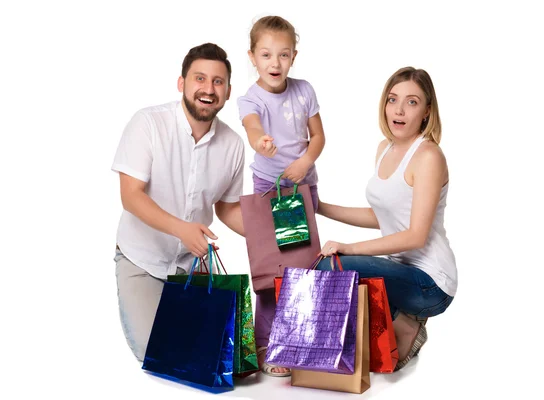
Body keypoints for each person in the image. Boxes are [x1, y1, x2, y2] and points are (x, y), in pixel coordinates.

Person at [317, 67, 458, 371]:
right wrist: (319, 206)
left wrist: (349, 248)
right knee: (329, 264)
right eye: (393, 99)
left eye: (411, 102)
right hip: (400, 269)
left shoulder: (429, 157)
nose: (399, 109)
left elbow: (415, 236)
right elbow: (381, 216)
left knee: (334, 265)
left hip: (430, 283)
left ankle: (406, 322)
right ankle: (396, 318)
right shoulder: (385, 149)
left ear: (426, 112)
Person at [111, 43, 245, 363]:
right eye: (200, 78)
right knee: (157, 354)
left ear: (227, 91)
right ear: (182, 83)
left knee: (220, 355)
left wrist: (270, 238)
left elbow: (227, 208)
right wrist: (182, 229)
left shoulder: (234, 145)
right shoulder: (148, 123)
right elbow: (131, 195)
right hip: (142, 262)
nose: (208, 89)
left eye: (217, 81)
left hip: (191, 268)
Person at [237, 15, 326, 377]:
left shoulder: (304, 90)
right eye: (266, 55)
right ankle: (266, 342)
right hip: (270, 193)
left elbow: (318, 137)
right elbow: (253, 127)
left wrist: (305, 161)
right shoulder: (250, 98)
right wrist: (261, 142)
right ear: (252, 56)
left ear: (294, 56)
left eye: (284, 55)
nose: (275, 63)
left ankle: (299, 340)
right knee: (272, 272)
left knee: (303, 269)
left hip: (303, 190)